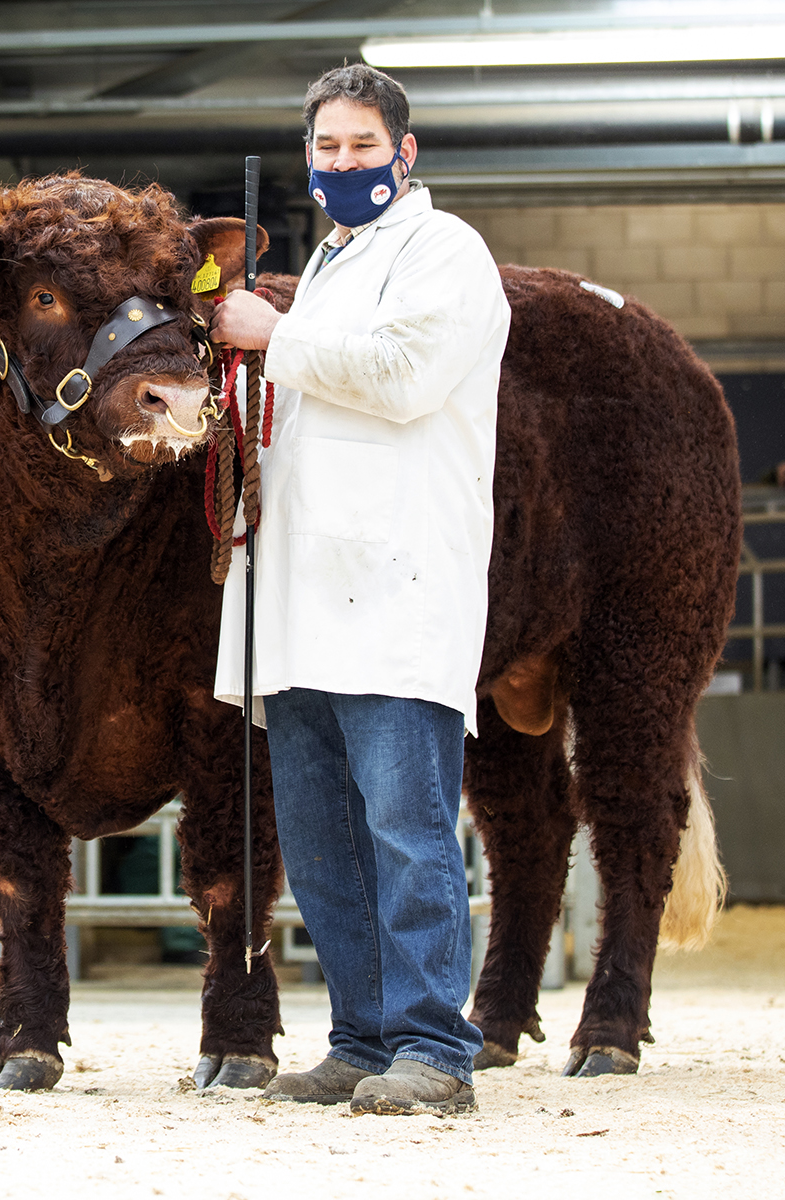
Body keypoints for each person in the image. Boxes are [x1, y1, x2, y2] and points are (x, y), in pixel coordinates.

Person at [209, 64, 510, 1117]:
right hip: (299, 599)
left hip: (393, 591)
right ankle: (361, 1037)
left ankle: (434, 1045)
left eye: (362, 146)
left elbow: (406, 374)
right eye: (326, 149)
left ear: (404, 152)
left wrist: (272, 336)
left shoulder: (446, 253)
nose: (344, 164)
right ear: (307, 158)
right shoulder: (333, 264)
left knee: (405, 828)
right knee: (326, 840)